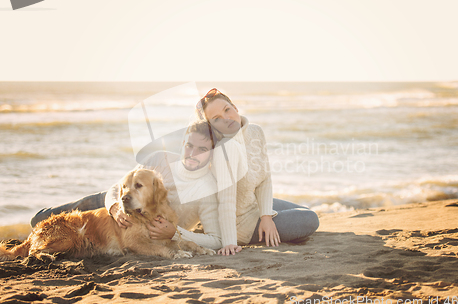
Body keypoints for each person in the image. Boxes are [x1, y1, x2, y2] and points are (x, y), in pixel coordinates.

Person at [31, 120, 222, 250]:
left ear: (213, 153)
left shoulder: (208, 189)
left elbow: (215, 240)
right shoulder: (160, 158)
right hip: (113, 203)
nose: (191, 154)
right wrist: (115, 208)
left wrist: (175, 233)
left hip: (140, 228)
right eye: (189, 146)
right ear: (182, 144)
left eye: (202, 149)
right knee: (39, 220)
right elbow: (117, 187)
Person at [196, 88, 320, 256]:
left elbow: (264, 179)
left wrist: (266, 217)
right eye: (217, 119)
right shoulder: (225, 150)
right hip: (240, 223)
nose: (226, 119)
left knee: (304, 211)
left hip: (252, 204)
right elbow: (226, 202)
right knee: (309, 219)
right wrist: (230, 243)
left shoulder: (255, 132)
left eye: (227, 110)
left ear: (235, 107)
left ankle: (274, 223)